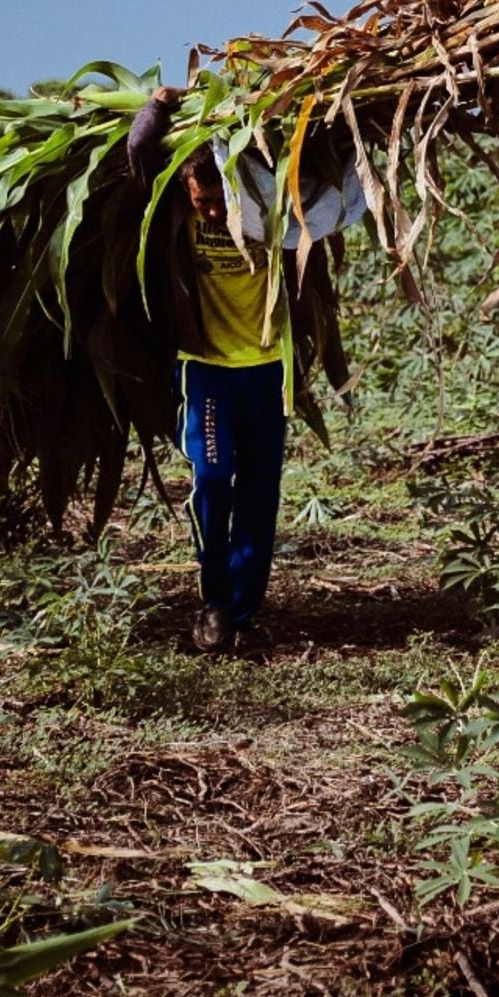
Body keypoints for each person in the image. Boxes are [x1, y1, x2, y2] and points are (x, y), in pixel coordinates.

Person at [126, 86, 365, 654]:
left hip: (266, 371)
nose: (212, 211)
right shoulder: (176, 212)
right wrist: (157, 108)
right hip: (207, 371)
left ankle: (242, 613)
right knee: (211, 482)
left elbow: (337, 165)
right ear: (186, 188)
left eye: (218, 201)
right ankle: (214, 600)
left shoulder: (268, 210)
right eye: (202, 200)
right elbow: (139, 156)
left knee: (260, 494)